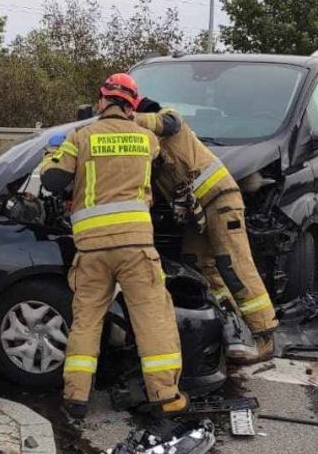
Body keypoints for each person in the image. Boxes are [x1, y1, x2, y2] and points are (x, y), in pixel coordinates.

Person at [40, 73, 187, 420]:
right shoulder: (147, 139)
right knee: (152, 318)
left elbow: (52, 180)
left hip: (91, 248)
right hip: (136, 246)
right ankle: (165, 395)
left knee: (87, 320)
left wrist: (52, 152)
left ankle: (76, 397)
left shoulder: (81, 137)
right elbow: (162, 152)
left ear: (102, 100)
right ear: (132, 105)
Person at [134, 96, 278, 364]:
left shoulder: (170, 118)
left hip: (219, 199)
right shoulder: (150, 147)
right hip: (197, 213)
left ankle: (265, 337)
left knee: (234, 265)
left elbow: (167, 122)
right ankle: (232, 323)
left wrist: (127, 119)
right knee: (198, 265)